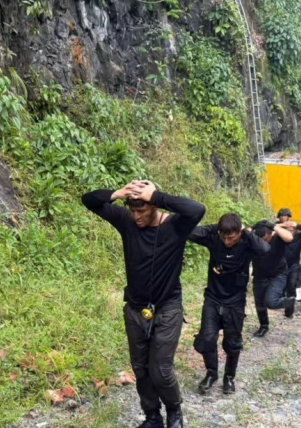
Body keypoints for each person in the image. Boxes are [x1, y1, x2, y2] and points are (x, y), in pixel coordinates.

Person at [82, 180, 205, 428]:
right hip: (135, 309)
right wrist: (119, 193)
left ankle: (175, 413)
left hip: (167, 309)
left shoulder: (176, 226)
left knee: (160, 369)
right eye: (133, 210)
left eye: (142, 210)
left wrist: (156, 195)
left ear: (154, 206)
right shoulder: (126, 221)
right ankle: (152, 416)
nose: (137, 216)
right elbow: (89, 200)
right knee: (140, 368)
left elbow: (196, 209)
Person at [188, 214, 270, 395]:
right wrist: (214, 228)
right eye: (223, 236)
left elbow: (265, 249)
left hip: (235, 301)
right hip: (213, 298)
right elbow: (189, 231)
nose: (227, 241)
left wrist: (246, 232)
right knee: (207, 338)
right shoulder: (214, 239)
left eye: (231, 237)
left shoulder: (247, 243)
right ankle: (211, 374)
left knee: (232, 342)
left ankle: (229, 377)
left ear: (239, 232)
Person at [250, 220, 295, 337]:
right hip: (259, 275)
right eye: (260, 241)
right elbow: (245, 231)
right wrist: (254, 226)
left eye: (265, 240)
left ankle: (289, 302)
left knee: (271, 302)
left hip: (277, 275)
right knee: (260, 304)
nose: (263, 244)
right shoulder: (254, 239)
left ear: (271, 234)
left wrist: (274, 226)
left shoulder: (277, 238)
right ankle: (263, 326)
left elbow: (289, 237)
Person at [277, 209, 301, 319]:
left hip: (293, 266)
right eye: (288, 230)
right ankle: (280, 303)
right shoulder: (280, 237)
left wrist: (297, 225)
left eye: (292, 229)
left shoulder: (299, 238)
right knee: (281, 287)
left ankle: (289, 312)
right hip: (280, 266)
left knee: (291, 287)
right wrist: (281, 225)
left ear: (295, 230)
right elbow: (269, 228)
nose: (290, 231)